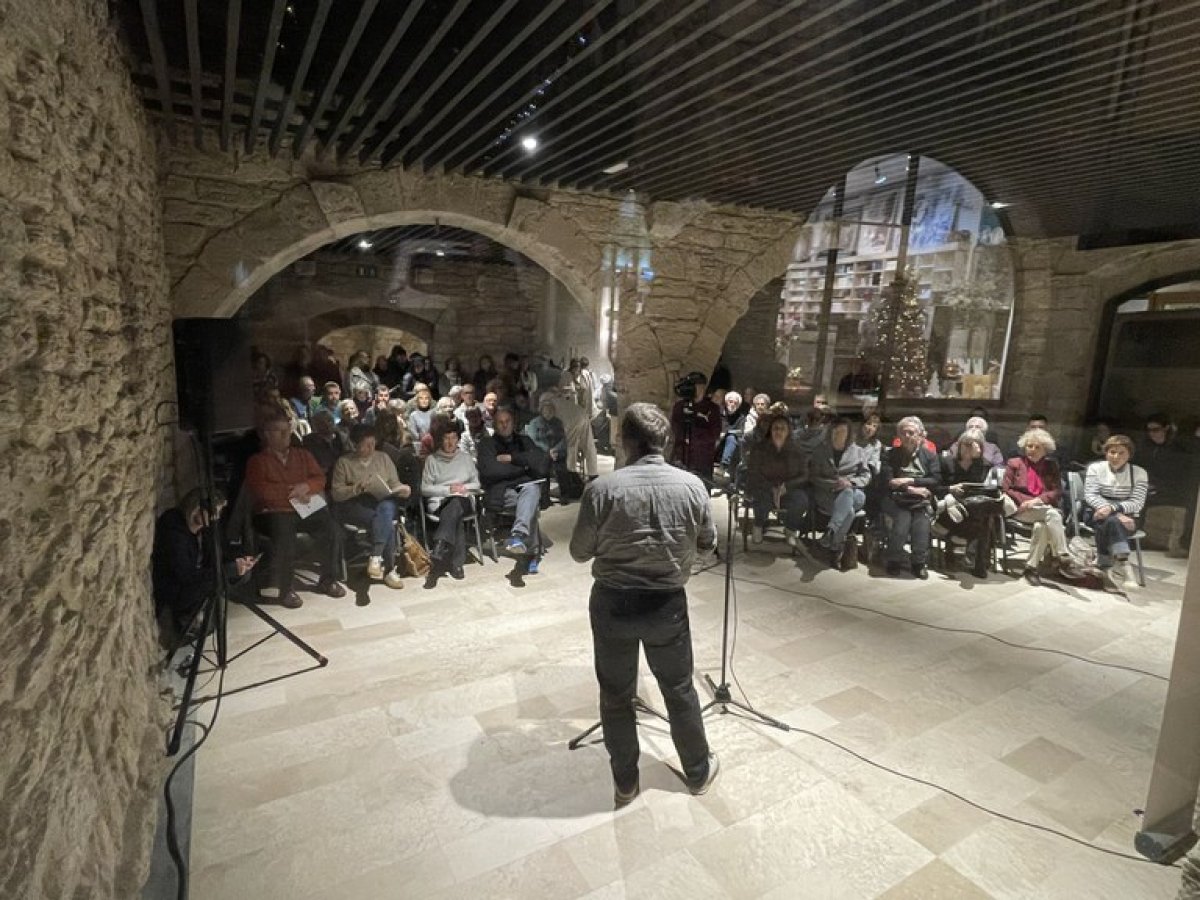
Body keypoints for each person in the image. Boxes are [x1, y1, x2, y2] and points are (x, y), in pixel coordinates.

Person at [569, 403, 719, 806]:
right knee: (678, 688)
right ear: (665, 442)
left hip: (613, 604)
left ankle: (625, 783)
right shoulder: (693, 487)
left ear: (626, 442)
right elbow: (708, 544)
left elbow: (579, 553)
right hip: (666, 605)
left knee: (616, 694)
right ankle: (698, 771)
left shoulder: (601, 489)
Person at [244, 412, 346, 606]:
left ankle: (328, 580)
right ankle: (286, 589)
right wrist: (293, 492)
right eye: (279, 432)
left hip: (301, 507)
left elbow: (319, 479)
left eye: (287, 431)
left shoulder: (302, 455)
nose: (285, 436)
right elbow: (263, 492)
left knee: (332, 529)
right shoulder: (257, 461)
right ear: (266, 434)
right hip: (272, 513)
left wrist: (306, 487)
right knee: (285, 533)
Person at [152, 488, 257, 645]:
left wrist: (239, 558)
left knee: (241, 574)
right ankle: (188, 622)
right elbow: (185, 575)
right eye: (214, 512)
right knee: (225, 577)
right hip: (178, 589)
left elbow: (218, 552)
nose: (216, 517)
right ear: (197, 509)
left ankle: (203, 616)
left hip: (196, 577)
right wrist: (228, 569)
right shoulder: (174, 530)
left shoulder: (204, 530)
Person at [330, 423, 408, 589]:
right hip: (356, 504)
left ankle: (376, 556)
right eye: (366, 444)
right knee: (385, 521)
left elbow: (394, 482)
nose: (371, 448)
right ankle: (388, 569)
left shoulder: (383, 458)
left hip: (381, 501)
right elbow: (336, 493)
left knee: (386, 508)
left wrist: (402, 489)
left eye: (373, 443)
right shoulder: (344, 462)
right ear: (355, 444)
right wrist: (356, 488)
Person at [1003, 426, 1079, 585]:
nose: (1032, 449)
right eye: (1029, 445)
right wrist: (1026, 502)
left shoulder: (1052, 466)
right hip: (1021, 508)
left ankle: (1031, 568)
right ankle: (1062, 556)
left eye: (1037, 447)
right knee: (1052, 515)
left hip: (1041, 509)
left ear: (1045, 450)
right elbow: (1006, 489)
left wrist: (1036, 501)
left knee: (1041, 527)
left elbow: (1057, 491)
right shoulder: (1014, 463)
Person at [477, 407, 550, 570]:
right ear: (495, 426)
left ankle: (518, 535)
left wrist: (512, 458)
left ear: (513, 423)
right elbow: (490, 471)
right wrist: (523, 468)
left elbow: (542, 462)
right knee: (529, 502)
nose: (504, 425)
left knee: (530, 491)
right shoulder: (486, 444)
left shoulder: (524, 441)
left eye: (507, 421)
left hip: (524, 489)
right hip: (502, 493)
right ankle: (532, 554)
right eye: (500, 422)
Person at [1084, 434, 1149, 594]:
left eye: (1121, 453)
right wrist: (1116, 513)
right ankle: (1124, 564)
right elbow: (1091, 495)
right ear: (1106, 453)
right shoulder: (1096, 468)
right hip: (1096, 512)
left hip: (1128, 517)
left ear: (1129, 455)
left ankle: (1105, 566)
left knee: (1110, 523)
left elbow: (1137, 502)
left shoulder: (1139, 473)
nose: (1116, 456)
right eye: (1112, 452)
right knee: (1112, 521)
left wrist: (1114, 510)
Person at [936, 429, 1003, 578]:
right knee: (983, 519)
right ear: (959, 445)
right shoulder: (946, 462)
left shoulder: (983, 466)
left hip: (972, 511)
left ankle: (973, 559)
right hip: (950, 511)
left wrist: (977, 459)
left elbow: (980, 489)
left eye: (973, 445)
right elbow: (936, 487)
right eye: (965, 444)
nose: (968, 448)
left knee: (983, 515)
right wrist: (950, 488)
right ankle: (977, 563)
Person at [421, 416, 481, 582]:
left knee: (456, 503)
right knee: (456, 515)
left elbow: (476, 484)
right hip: (440, 503)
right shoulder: (432, 460)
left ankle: (440, 544)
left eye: (453, 438)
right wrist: (448, 490)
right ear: (440, 440)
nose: (450, 442)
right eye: (446, 438)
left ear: (458, 439)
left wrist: (463, 488)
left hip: (463, 500)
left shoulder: (466, 458)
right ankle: (457, 564)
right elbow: (425, 488)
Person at [881, 416, 941, 579]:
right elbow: (889, 481)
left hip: (920, 501)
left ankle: (918, 563)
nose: (907, 436)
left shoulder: (930, 456)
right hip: (896, 498)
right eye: (903, 432)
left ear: (920, 435)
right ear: (898, 436)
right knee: (903, 518)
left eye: (911, 432)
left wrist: (910, 480)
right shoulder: (889, 455)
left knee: (921, 521)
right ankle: (894, 560)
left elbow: (935, 480)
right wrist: (913, 490)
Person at [809, 416, 871, 569]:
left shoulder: (858, 451)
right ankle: (835, 544)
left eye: (842, 431)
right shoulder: (820, 450)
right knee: (848, 511)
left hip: (855, 493)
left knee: (848, 492)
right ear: (830, 431)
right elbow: (813, 476)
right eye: (835, 431)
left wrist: (850, 483)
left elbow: (866, 476)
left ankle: (831, 531)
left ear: (849, 433)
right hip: (827, 494)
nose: (838, 434)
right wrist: (833, 484)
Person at [743, 413, 809, 546]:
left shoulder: (797, 450)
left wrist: (786, 487)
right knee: (761, 497)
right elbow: (753, 473)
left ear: (788, 431)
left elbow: (804, 475)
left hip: (787, 490)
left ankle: (790, 530)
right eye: (775, 428)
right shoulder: (759, 448)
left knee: (801, 499)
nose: (778, 432)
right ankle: (758, 526)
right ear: (770, 431)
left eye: (782, 429)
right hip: (765, 488)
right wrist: (771, 488)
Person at [669, 372, 722, 479]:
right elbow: (675, 429)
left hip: (702, 459)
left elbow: (715, 433)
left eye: (698, 386)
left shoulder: (712, 409)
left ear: (703, 387)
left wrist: (695, 432)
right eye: (693, 385)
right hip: (681, 457)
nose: (696, 389)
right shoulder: (680, 407)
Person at [525, 398, 568, 499]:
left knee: (561, 469)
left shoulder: (558, 422)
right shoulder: (534, 423)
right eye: (546, 410)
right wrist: (548, 451)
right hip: (542, 451)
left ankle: (565, 495)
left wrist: (555, 449)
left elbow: (563, 438)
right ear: (541, 411)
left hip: (556, 452)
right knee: (543, 470)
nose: (548, 413)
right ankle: (544, 497)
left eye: (551, 410)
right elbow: (534, 440)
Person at [302, 409, 349, 489]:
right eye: (322, 423)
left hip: (345, 478)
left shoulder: (342, 438)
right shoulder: (309, 442)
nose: (327, 424)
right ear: (316, 425)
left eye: (329, 421)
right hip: (323, 482)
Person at [715, 391, 746, 476]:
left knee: (731, 438)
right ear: (726, 402)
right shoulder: (718, 412)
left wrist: (727, 433)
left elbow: (741, 431)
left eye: (735, 403)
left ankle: (724, 465)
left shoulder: (741, 417)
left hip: (730, 442)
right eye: (730, 401)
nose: (732, 404)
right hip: (717, 439)